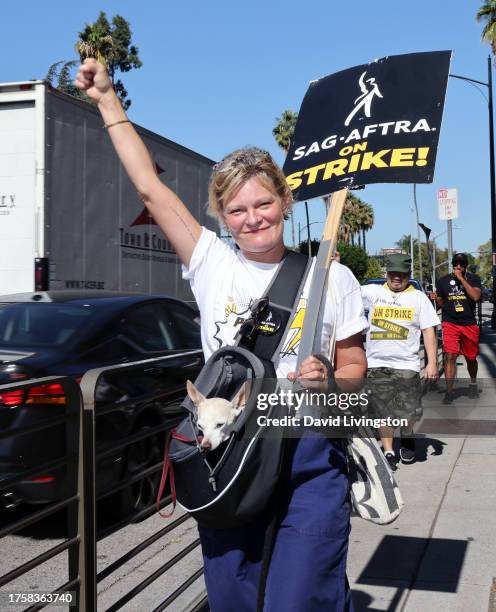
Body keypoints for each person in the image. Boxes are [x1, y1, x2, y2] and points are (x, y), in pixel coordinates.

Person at [75, 59, 367, 611]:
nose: (252, 218)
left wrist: (329, 377)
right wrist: (109, 101)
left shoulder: (336, 276)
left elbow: (356, 371)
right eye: (236, 209)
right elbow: (150, 188)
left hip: (308, 452)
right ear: (222, 216)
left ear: (285, 201)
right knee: (231, 597)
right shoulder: (209, 260)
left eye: (263, 203)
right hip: (229, 454)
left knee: (302, 597)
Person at [361, 255, 439, 471]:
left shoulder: (418, 298)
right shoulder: (373, 292)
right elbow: (344, 291)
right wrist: (334, 264)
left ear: (408, 275)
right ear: (386, 273)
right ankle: (388, 450)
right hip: (377, 363)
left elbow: (429, 331)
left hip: (407, 364)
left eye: (401, 275)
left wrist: (431, 362)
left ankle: (407, 437)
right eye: (392, 273)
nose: (396, 278)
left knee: (407, 411)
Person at [432, 253, 482, 404]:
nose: (459, 267)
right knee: (450, 356)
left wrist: (461, 279)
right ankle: (449, 392)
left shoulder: (473, 279)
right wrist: (436, 298)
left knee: (471, 358)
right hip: (450, 323)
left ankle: (473, 383)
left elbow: (475, 297)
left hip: (468, 324)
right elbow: (442, 302)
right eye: (456, 264)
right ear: (452, 264)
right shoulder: (443, 281)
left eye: (462, 264)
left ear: (466, 265)